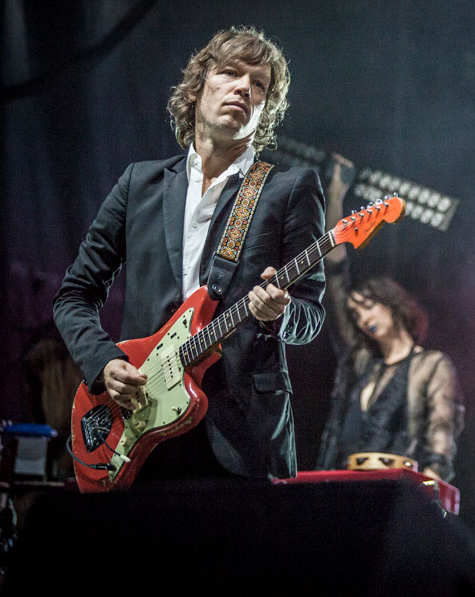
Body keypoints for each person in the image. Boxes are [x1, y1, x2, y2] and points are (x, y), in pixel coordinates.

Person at [53, 26, 326, 481]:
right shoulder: (139, 184)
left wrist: (280, 314)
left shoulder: (289, 189)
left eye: (259, 84)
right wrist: (103, 362)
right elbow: (74, 294)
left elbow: (310, 316)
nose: (245, 88)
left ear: (266, 108)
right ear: (198, 87)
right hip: (141, 423)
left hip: (242, 437)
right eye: (231, 73)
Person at [315, 155, 463, 482]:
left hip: (394, 491)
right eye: (356, 314)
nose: (362, 318)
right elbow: (334, 273)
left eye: (368, 306)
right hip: (339, 486)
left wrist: (431, 482)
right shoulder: (362, 361)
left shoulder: (430, 365)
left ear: (391, 304)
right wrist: (335, 195)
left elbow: (441, 427)